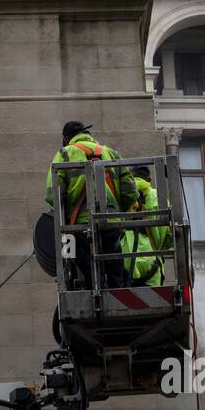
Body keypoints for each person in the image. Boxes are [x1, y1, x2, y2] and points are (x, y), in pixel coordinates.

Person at [45, 121, 137, 288]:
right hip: (111, 222)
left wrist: (66, 215)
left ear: (66, 138)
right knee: (113, 262)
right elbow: (131, 192)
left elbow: (53, 195)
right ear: (87, 134)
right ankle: (116, 292)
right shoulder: (111, 153)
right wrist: (117, 213)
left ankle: (93, 291)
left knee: (82, 265)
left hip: (80, 227)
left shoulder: (64, 154)